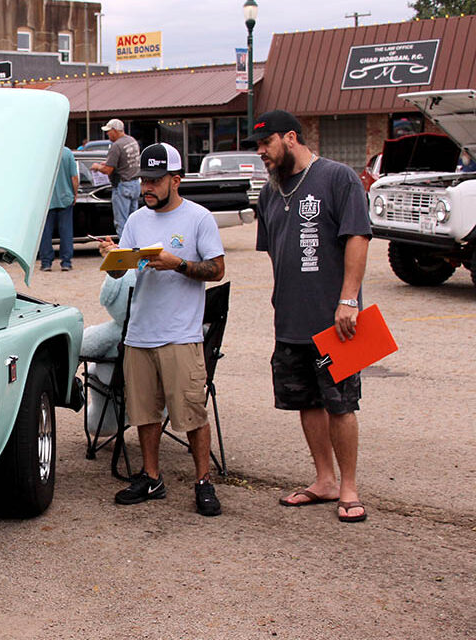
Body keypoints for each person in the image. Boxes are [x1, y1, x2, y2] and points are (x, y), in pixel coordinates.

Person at [249, 109, 372, 523]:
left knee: (340, 403)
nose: (261, 152)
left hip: (336, 318)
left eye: (266, 144)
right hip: (291, 319)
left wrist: (349, 300)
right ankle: (324, 480)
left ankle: (350, 487)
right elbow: (274, 252)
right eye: (258, 146)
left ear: (291, 137)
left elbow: (357, 236)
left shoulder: (338, 178)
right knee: (306, 401)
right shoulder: (270, 192)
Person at [98, 142, 226, 517]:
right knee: (144, 413)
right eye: (143, 181)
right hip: (140, 333)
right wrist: (114, 257)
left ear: (176, 180)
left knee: (191, 412)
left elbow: (217, 270)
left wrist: (179, 265)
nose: (147, 188)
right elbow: (123, 270)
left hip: (180, 335)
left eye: (155, 181)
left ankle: (203, 481)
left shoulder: (199, 218)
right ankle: (151, 477)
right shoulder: (137, 220)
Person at [91, 119, 141, 235]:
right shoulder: (132, 141)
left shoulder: (116, 146)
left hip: (122, 186)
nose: (107, 134)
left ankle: (125, 248)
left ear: (115, 131)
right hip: (135, 183)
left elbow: (108, 170)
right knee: (133, 221)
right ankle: (135, 247)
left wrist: (97, 166)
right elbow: (124, 162)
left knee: (121, 222)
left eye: (109, 131)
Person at [39, 146, 79, 271]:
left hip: (47, 200)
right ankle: (66, 262)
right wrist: (75, 193)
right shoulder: (68, 154)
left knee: (46, 233)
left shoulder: (43, 154)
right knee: (66, 232)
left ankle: (46, 262)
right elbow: (74, 177)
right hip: (65, 197)